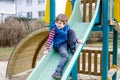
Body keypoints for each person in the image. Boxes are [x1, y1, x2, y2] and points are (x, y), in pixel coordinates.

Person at [44, 14, 83, 80]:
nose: (57, 24)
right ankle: (57, 72)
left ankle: (73, 49)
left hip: (66, 43)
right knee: (66, 56)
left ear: (65, 24)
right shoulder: (54, 30)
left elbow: (71, 36)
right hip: (59, 45)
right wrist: (47, 49)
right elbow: (50, 39)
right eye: (56, 23)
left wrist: (77, 40)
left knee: (72, 31)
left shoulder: (67, 28)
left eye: (60, 23)